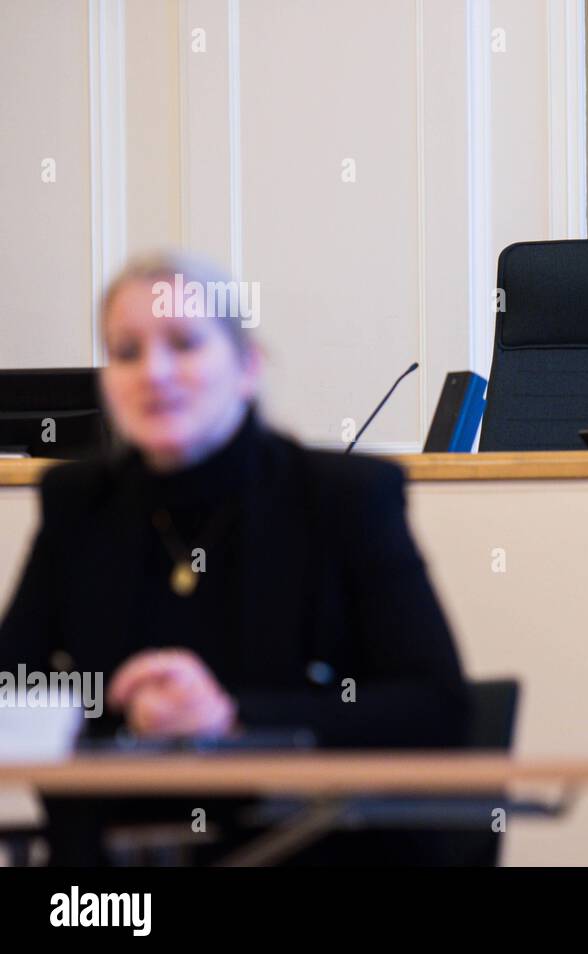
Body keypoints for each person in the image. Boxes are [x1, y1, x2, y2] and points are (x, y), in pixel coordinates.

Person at [0, 252, 470, 864]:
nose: (155, 373)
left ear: (248, 368)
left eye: (185, 344)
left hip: (309, 849)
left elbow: (438, 709)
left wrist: (229, 716)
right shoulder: (78, 503)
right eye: (127, 353)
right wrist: (109, 704)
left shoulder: (343, 499)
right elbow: (12, 688)